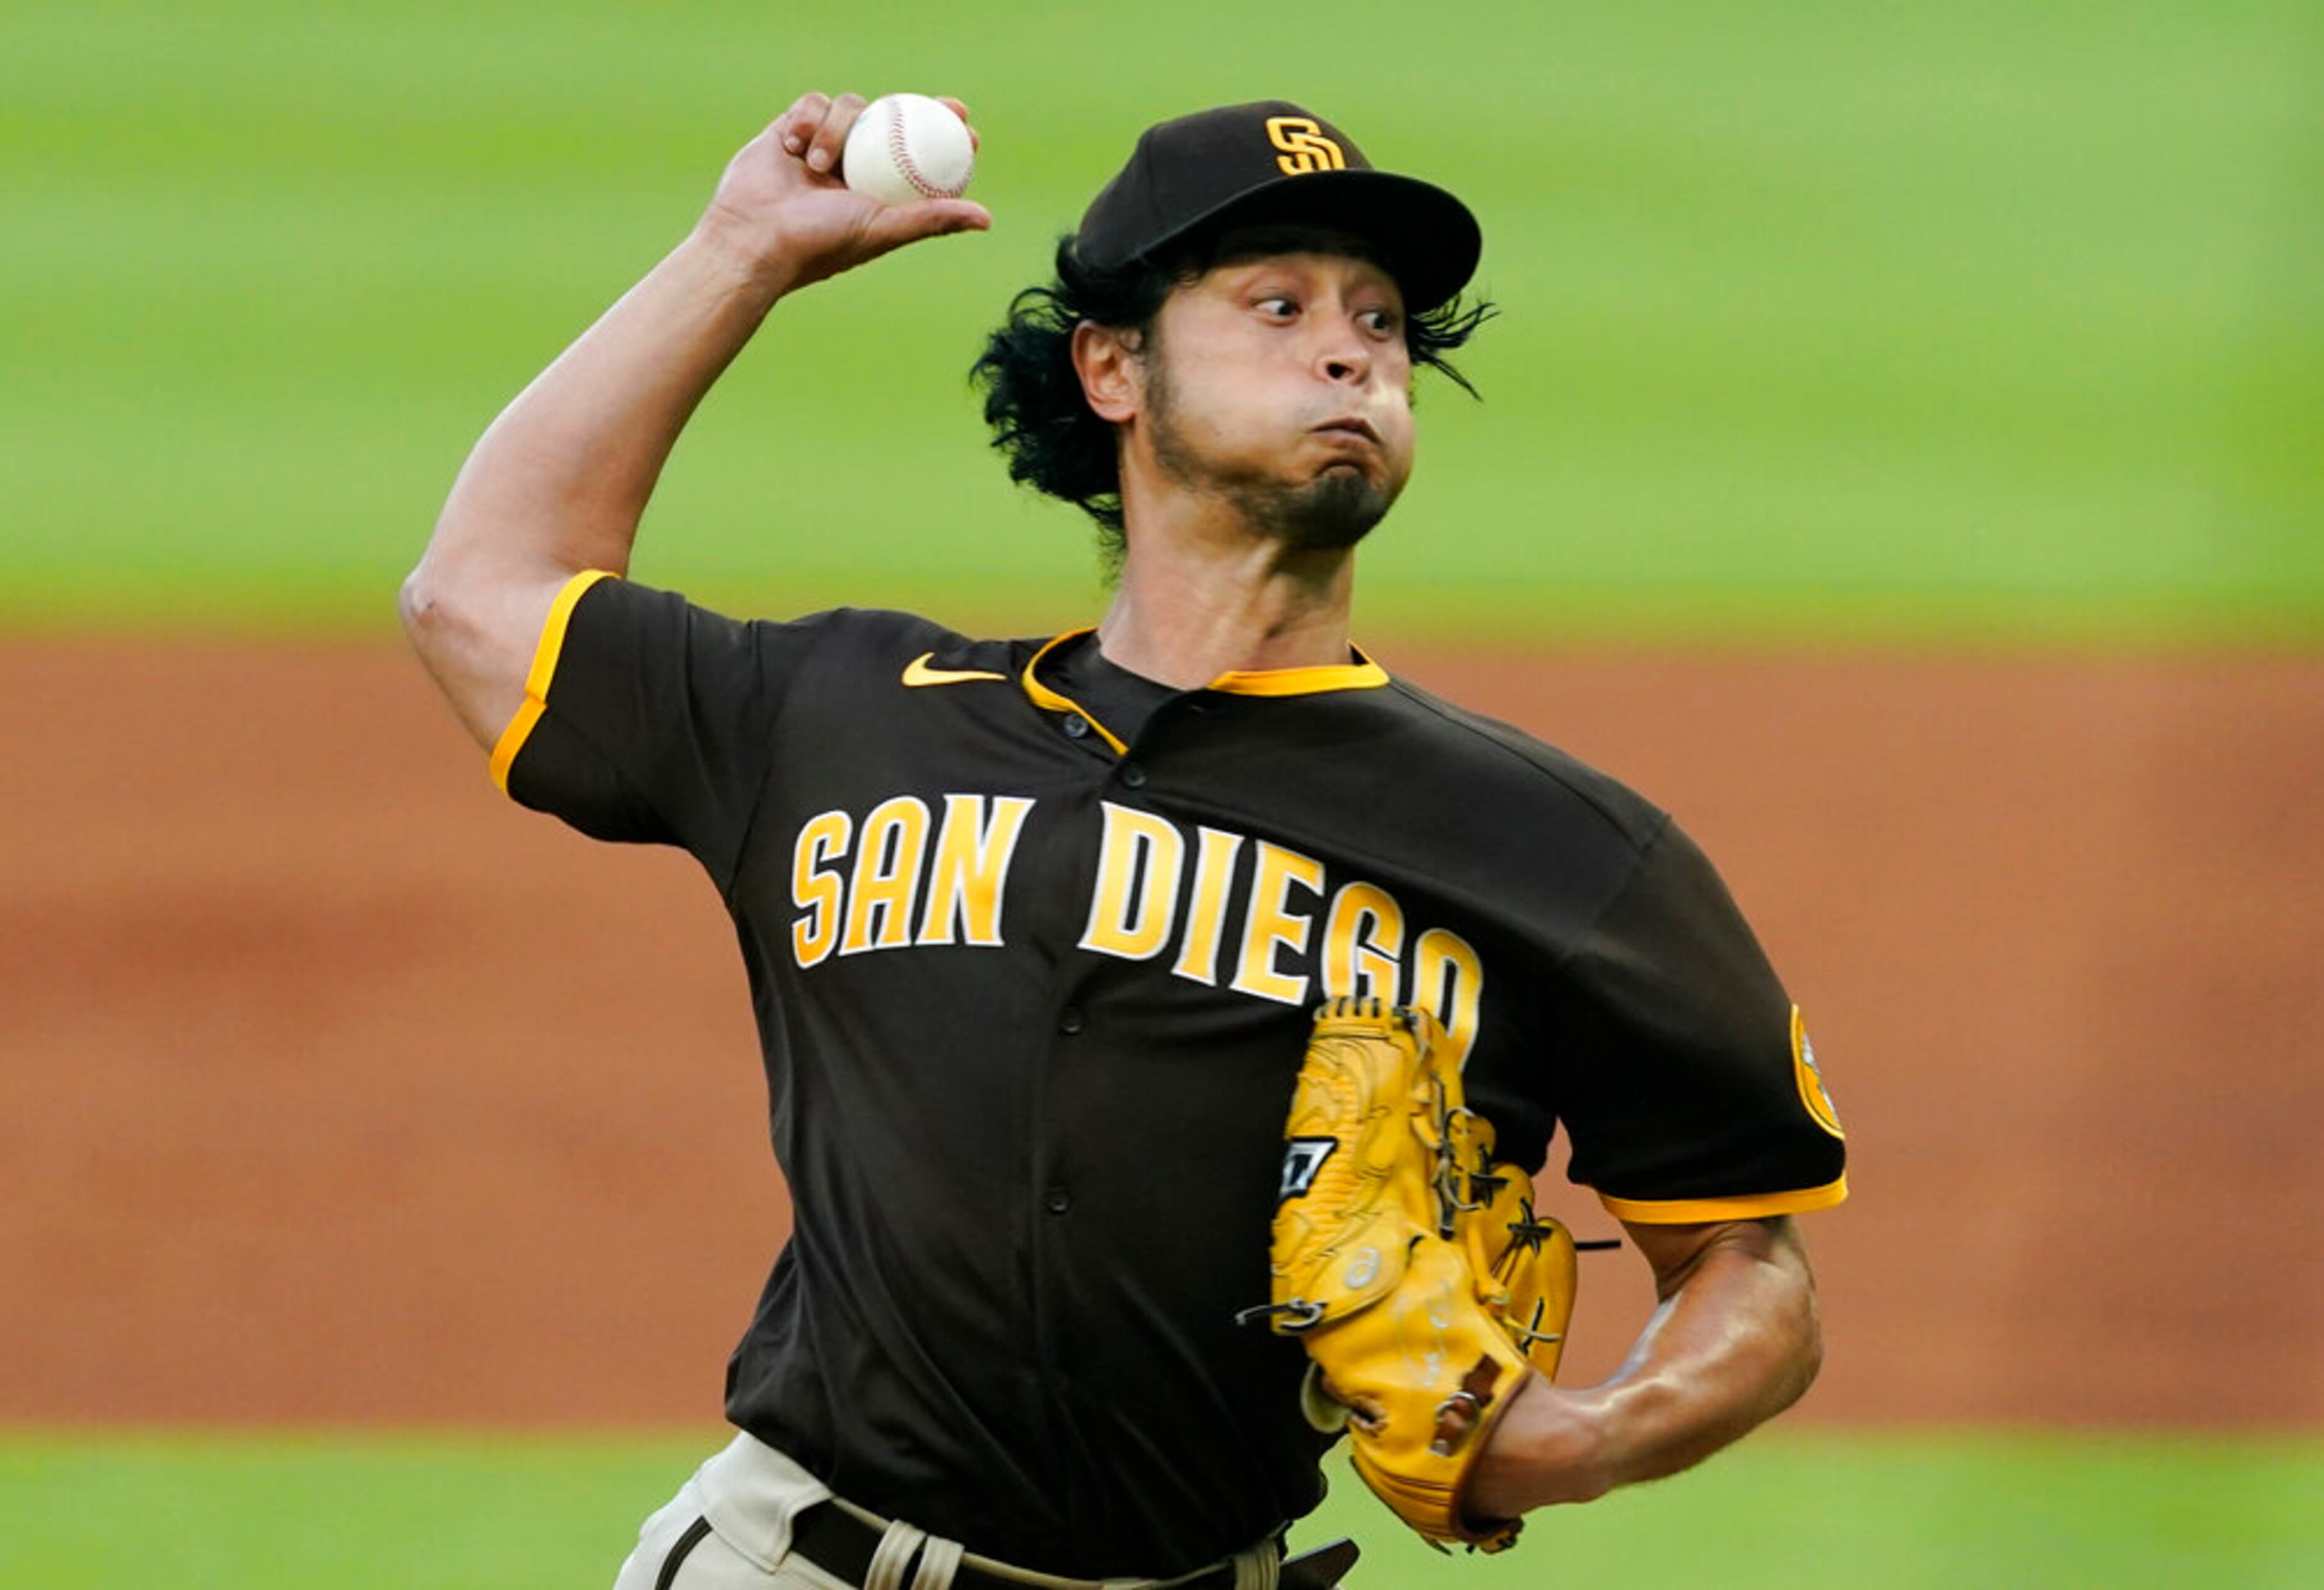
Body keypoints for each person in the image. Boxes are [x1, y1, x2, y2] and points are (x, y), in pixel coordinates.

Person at [402, 92, 1847, 1590]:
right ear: (1112, 368)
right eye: (1276, 306)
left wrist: (1600, 1431)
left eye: (1380, 319)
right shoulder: (845, 718)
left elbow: (1750, 1257)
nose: (1349, 347)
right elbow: (479, 594)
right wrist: (739, 252)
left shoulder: (1562, 849)